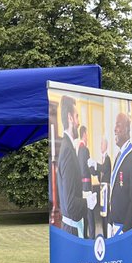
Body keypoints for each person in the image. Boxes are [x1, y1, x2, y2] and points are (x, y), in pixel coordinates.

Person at [55, 96, 94, 238]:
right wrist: (87, 202)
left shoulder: (68, 147)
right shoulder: (68, 152)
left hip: (72, 228)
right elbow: (70, 205)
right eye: (77, 117)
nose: (79, 122)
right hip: (73, 230)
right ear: (70, 118)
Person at [101, 112, 132, 235]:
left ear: (127, 129)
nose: (114, 129)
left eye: (118, 125)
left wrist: (125, 229)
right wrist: (109, 221)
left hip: (124, 227)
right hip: (114, 224)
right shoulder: (118, 155)